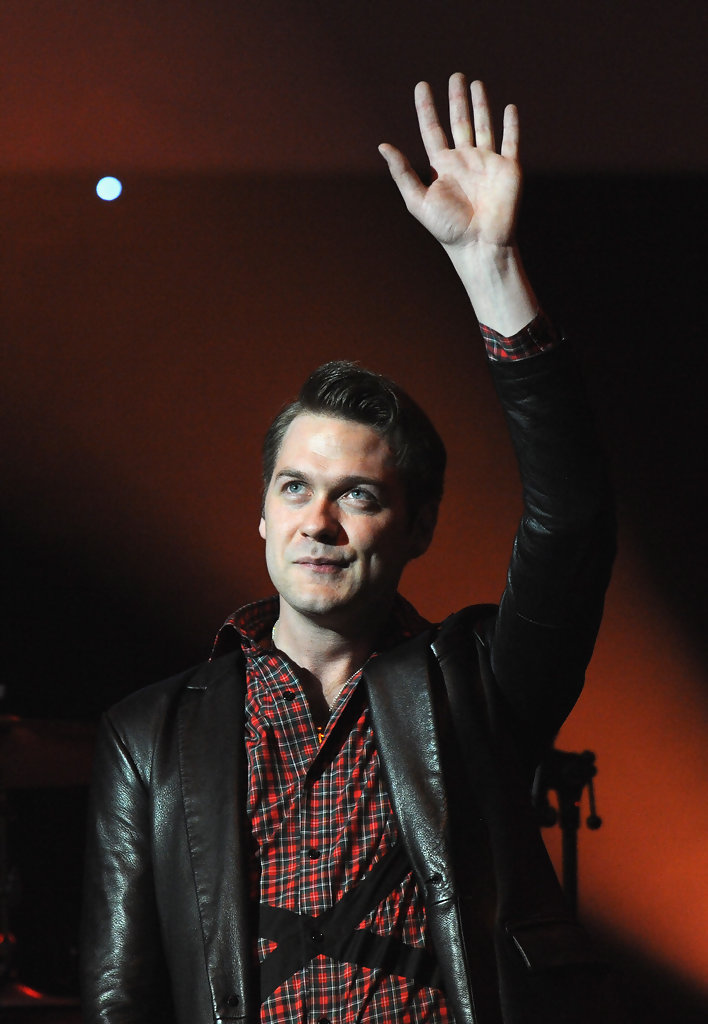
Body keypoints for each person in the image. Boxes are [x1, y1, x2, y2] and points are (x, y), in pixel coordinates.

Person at [81, 76, 617, 1024]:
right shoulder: (150, 735)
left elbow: (571, 523)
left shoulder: (475, 689)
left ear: (418, 527)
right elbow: (121, 996)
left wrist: (490, 268)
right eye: (294, 489)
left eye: (358, 496)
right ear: (262, 515)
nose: (318, 522)